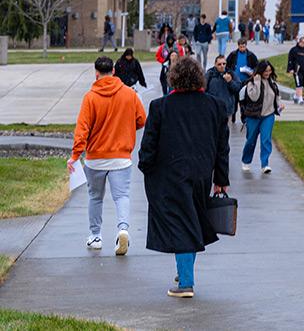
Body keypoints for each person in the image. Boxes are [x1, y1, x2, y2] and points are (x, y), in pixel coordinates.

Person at [138, 57, 230, 298]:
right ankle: (184, 269)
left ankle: (186, 282)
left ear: (174, 78)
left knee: (182, 224)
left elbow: (149, 145)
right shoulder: (216, 106)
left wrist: (146, 166)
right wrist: (221, 178)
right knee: (192, 222)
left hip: (169, 175)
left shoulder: (160, 107)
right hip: (202, 174)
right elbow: (222, 147)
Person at [67, 57, 146, 254]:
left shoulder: (90, 98)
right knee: (122, 196)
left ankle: (95, 236)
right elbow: (141, 119)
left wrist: (75, 155)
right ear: (113, 71)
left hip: (95, 158)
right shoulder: (129, 94)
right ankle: (123, 229)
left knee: (95, 197)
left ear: (96, 73)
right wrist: (126, 128)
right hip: (121, 157)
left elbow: (82, 130)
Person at [241, 60, 284, 174]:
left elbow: (276, 96)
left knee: (265, 140)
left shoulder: (272, 83)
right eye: (265, 71)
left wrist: (279, 105)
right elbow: (254, 97)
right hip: (253, 116)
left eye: (269, 71)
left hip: (268, 115)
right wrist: (257, 81)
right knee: (251, 140)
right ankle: (246, 161)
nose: (268, 73)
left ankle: (265, 164)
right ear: (260, 71)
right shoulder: (251, 82)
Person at [226, 38, 258, 123]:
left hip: (246, 81)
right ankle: (233, 115)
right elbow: (227, 65)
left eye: (243, 47)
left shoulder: (251, 55)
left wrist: (252, 73)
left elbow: (256, 66)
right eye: (240, 47)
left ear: (246, 46)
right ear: (238, 46)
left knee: (243, 100)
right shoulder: (233, 54)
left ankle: (244, 117)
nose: (242, 49)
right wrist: (230, 73)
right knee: (235, 100)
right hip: (235, 81)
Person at [287, 37, 304, 105]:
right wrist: (290, 69)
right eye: (302, 42)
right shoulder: (294, 50)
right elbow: (290, 60)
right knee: (299, 84)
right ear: (299, 42)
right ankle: (300, 99)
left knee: (303, 84)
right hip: (297, 70)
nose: (303, 44)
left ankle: (296, 96)